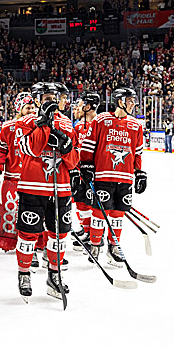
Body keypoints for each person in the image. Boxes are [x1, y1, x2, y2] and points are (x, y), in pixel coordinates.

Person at [13, 82, 77, 302]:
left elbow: (73, 160)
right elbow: (31, 149)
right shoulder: (25, 122)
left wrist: (66, 146)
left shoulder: (67, 122)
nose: (51, 101)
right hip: (33, 186)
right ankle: (24, 274)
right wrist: (43, 126)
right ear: (37, 99)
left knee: (59, 234)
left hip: (61, 189)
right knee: (28, 234)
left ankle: (54, 276)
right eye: (46, 97)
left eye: (53, 96)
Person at [79, 87, 147, 269]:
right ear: (120, 101)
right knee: (99, 213)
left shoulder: (136, 125)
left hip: (125, 178)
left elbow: (138, 154)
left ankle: (114, 246)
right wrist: (86, 166)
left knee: (118, 214)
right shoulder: (101, 120)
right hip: (103, 176)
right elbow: (87, 147)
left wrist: (140, 172)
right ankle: (94, 246)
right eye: (130, 100)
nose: (133, 103)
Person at [0, 91, 35, 252]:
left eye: (33, 107)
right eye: (27, 108)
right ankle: (8, 242)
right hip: (12, 178)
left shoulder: (37, 125)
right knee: (9, 211)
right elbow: (0, 148)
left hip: (33, 179)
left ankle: (36, 241)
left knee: (34, 212)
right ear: (19, 109)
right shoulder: (8, 127)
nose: (31, 111)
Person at [69, 92, 102, 252]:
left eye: (81, 104)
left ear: (88, 106)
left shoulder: (101, 124)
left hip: (96, 173)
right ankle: (87, 232)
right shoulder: (77, 126)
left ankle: (96, 234)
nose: (77, 107)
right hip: (80, 172)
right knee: (80, 203)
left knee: (93, 204)